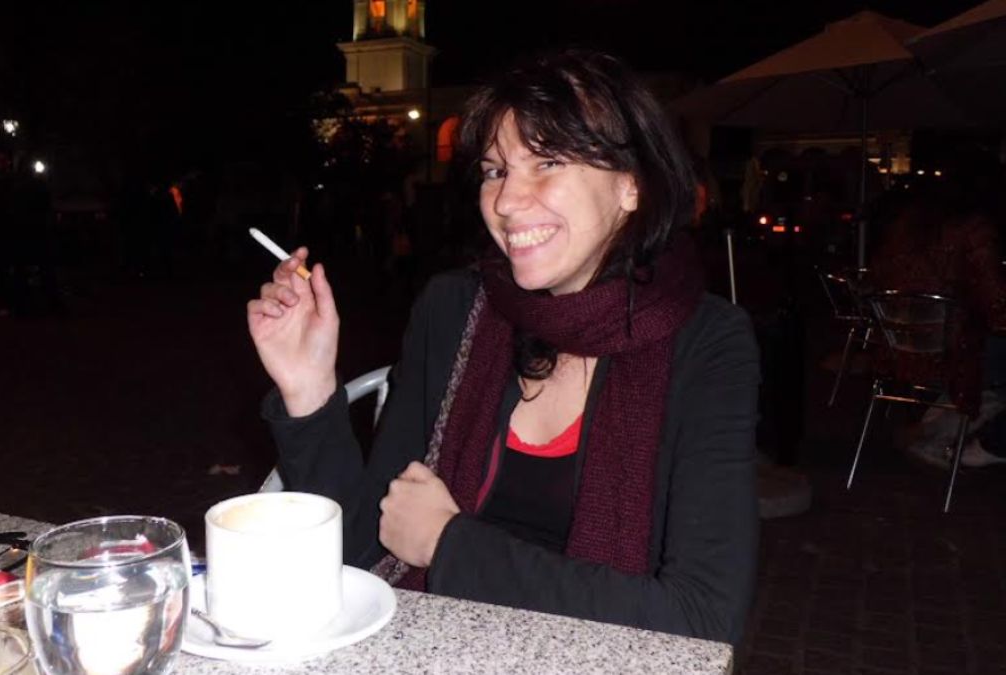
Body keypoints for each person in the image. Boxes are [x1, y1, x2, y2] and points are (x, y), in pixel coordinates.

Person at [247, 49, 759, 645]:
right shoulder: (454, 310)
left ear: (631, 185)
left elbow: (702, 619)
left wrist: (449, 543)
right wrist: (309, 389)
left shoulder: (707, 342)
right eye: (495, 171)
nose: (508, 201)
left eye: (548, 161)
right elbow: (364, 547)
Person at [868, 175, 1006, 467]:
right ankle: (987, 443)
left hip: (898, 351)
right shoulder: (973, 230)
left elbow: (876, 279)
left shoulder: (903, 228)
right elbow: (996, 302)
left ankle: (942, 427)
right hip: (952, 352)